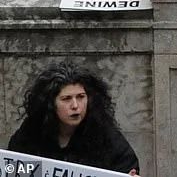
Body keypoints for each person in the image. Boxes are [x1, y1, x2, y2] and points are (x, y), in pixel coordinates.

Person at [9, 64, 139, 173]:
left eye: (81, 97)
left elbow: (126, 166)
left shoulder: (107, 137)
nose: (76, 106)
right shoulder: (29, 136)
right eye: (66, 99)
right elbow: (14, 170)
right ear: (50, 104)